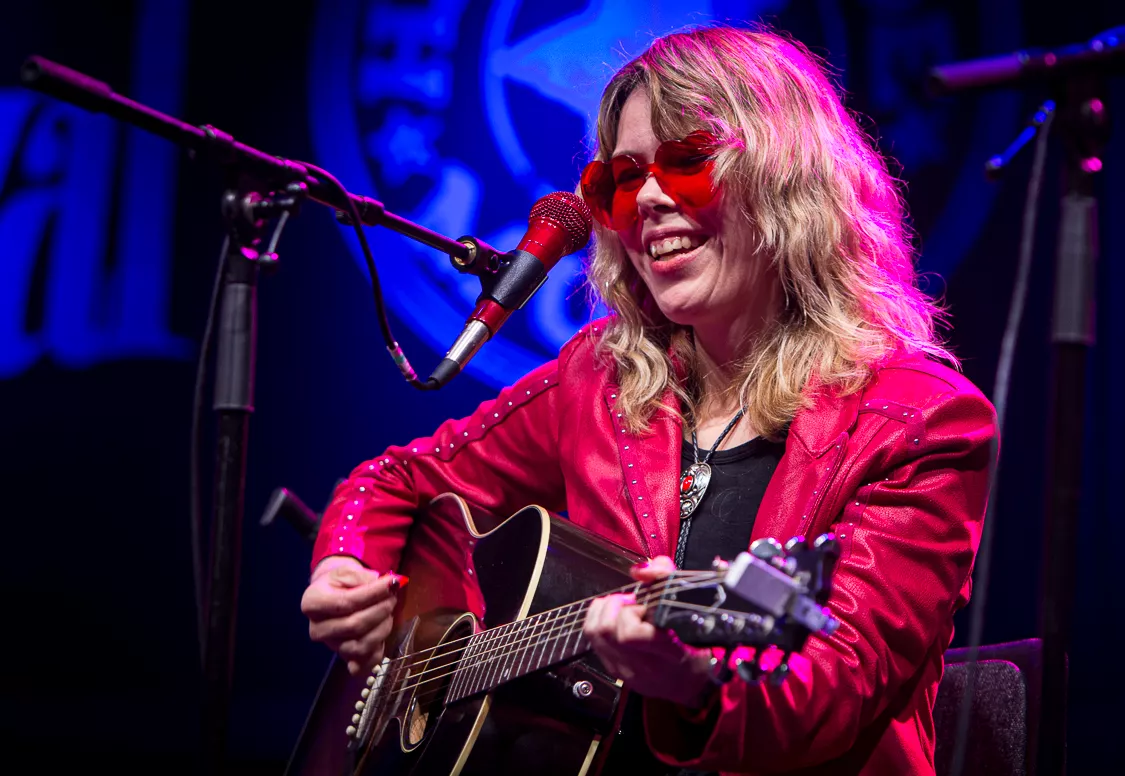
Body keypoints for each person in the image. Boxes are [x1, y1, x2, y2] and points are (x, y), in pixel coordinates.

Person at [300, 25, 995, 776]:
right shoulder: (600, 378)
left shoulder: (919, 422)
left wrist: (693, 685)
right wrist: (347, 565)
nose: (651, 201)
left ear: (787, 179)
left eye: (688, 163)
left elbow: (836, 686)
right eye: (623, 180)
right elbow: (400, 479)